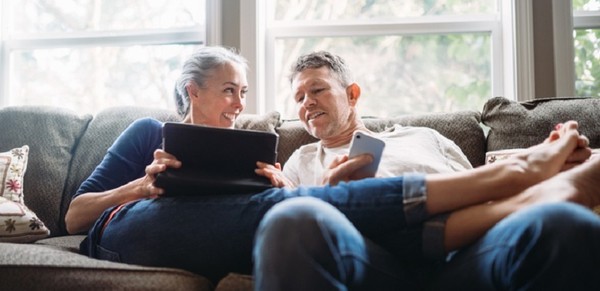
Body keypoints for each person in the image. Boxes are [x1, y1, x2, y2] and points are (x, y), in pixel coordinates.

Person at [65, 47, 598, 287]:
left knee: (285, 208)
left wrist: (268, 187)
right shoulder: (147, 134)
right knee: (290, 209)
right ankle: (519, 179)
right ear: (192, 91)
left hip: (438, 245)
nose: (238, 103)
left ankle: (522, 188)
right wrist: (142, 184)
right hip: (136, 228)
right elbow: (74, 218)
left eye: (243, 93)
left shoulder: (253, 152)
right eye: (229, 90)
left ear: (352, 93)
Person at [253, 51, 600, 290]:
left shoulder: (425, 138)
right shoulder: (300, 160)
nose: (306, 103)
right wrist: (288, 192)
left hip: (461, 258)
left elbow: (480, 198)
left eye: (317, 90)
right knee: (295, 216)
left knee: (561, 223)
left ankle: (536, 190)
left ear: (353, 94)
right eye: (298, 98)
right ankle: (535, 183)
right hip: (372, 263)